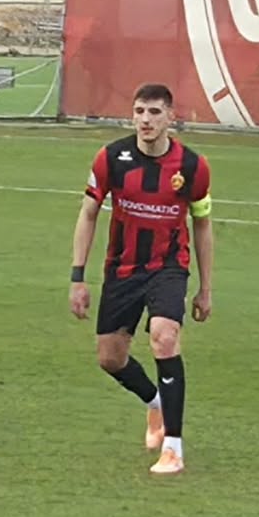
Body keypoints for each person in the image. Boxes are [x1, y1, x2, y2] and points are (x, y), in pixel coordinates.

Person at [69, 83, 215, 476]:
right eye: (139, 112)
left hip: (168, 267)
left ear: (171, 116)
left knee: (164, 337)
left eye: (154, 112)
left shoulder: (192, 167)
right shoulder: (111, 158)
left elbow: (202, 225)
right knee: (110, 358)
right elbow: (88, 213)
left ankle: (173, 449)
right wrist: (77, 277)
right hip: (122, 269)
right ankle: (155, 404)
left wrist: (205, 288)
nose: (145, 120)